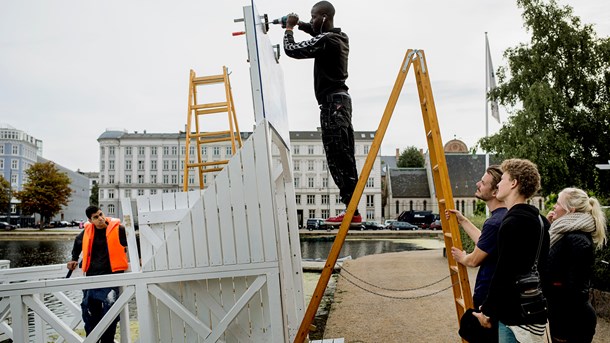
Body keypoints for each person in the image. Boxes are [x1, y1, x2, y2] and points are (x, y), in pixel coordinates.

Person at [283, 1, 361, 225]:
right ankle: (352, 209)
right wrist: (302, 25)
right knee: (345, 157)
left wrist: (289, 29)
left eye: (314, 16)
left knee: (336, 156)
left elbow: (292, 50)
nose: (312, 20)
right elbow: (316, 31)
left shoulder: (326, 41)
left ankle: (351, 211)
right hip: (343, 103)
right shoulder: (341, 37)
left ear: (324, 17)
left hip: (331, 105)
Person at [473, 159, 550, 343]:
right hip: (534, 311)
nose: (498, 183)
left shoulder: (512, 222)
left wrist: (488, 312)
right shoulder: (540, 221)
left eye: (503, 179)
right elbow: (543, 269)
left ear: (514, 183)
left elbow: (504, 273)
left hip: (514, 317)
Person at [447, 165, 506, 342]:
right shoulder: (502, 217)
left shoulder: (494, 222)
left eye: (483, 182)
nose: (477, 184)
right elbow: (485, 243)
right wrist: (463, 220)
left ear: (495, 192)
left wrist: (462, 257)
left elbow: (474, 260)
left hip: (488, 297)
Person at [544, 187, 607, 343]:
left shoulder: (576, 240)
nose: (554, 207)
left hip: (571, 324)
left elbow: (574, 290)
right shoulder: (562, 233)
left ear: (570, 210)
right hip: (564, 318)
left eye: (557, 204)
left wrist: (561, 328)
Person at [67, 206, 128, 343]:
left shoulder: (119, 229)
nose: (100, 219)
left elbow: (134, 240)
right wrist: (74, 258)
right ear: (90, 220)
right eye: (96, 217)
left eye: (101, 214)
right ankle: (93, 339)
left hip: (111, 276)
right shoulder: (88, 230)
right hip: (92, 277)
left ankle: (108, 341)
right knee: (89, 312)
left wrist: (140, 258)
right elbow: (77, 242)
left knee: (110, 312)